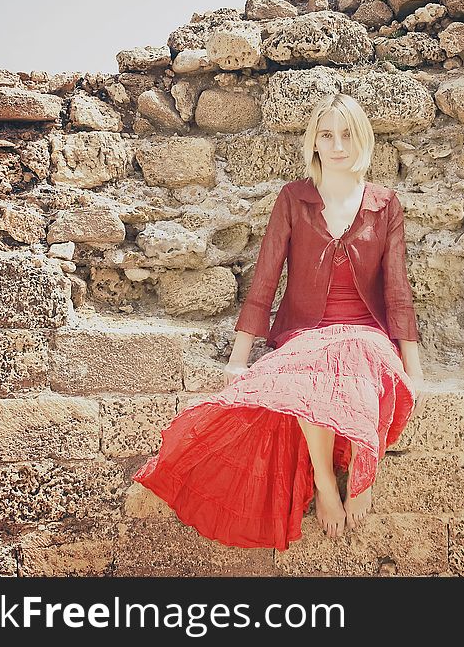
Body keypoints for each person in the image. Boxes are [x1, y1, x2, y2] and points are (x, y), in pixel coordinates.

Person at [132, 93, 427, 551]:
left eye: (347, 134)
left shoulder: (385, 205)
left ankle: (362, 476)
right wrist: (239, 358)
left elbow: (397, 289)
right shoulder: (293, 199)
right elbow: (266, 277)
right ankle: (327, 485)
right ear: (313, 143)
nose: (337, 145)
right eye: (327, 135)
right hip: (305, 330)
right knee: (310, 373)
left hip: (365, 330)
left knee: (357, 355)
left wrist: (413, 365)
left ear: (362, 138)